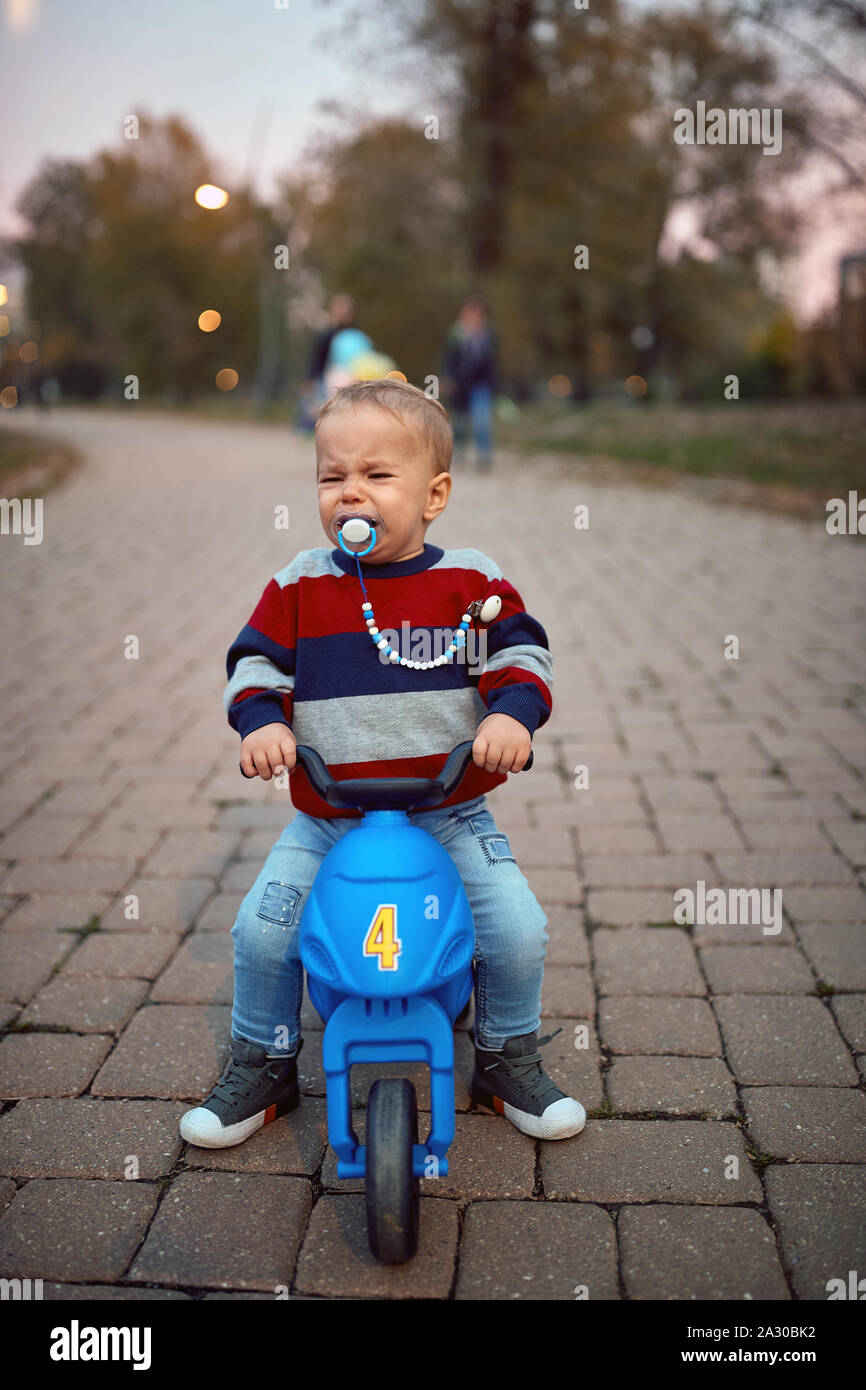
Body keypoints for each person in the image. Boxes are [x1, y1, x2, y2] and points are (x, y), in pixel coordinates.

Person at [179, 378, 585, 1149]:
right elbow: (254, 666)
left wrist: (509, 713)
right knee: (261, 933)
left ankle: (505, 1055)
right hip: (328, 817)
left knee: (518, 929)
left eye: (375, 475)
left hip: (449, 811)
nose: (349, 494)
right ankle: (263, 1061)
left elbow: (523, 652)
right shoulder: (302, 583)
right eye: (331, 477)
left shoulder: (470, 581)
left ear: (434, 495)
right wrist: (262, 723)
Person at [442, 294, 499, 470]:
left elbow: (492, 362)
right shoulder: (456, 334)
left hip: (481, 384)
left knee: (482, 419)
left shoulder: (489, 335)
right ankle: (459, 451)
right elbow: (448, 359)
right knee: (460, 420)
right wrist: (447, 378)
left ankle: (484, 454)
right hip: (460, 384)